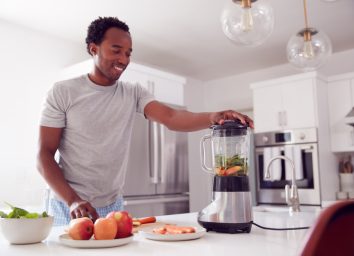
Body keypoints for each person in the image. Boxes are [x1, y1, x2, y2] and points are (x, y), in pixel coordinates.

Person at [37, 16, 254, 225]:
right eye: (116, 50)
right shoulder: (63, 92)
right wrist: (73, 200)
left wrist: (213, 117)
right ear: (93, 48)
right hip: (68, 205)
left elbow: (172, 117)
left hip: (112, 206)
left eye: (128, 53)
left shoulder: (133, 93)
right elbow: (43, 155)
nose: (124, 59)